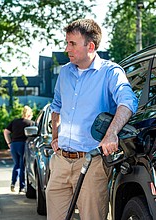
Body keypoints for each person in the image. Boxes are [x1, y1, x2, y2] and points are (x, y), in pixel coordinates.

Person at [46, 19, 138, 220]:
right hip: (61, 161)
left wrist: (112, 133)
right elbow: (56, 107)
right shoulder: (65, 73)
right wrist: (55, 136)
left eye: (72, 43)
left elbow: (128, 101)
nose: (66, 48)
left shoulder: (110, 73)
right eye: (67, 42)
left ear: (91, 46)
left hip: (92, 163)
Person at [3, 105, 34, 193]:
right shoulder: (31, 123)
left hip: (14, 145)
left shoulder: (14, 121)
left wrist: (9, 143)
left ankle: (13, 183)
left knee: (16, 165)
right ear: (29, 114)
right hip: (23, 145)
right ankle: (22, 187)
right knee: (22, 166)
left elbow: (6, 132)